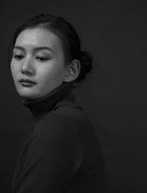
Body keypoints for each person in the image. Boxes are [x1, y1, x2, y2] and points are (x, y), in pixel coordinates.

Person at [8, 13, 105, 193]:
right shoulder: (69, 119)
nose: (25, 68)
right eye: (19, 55)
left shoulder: (56, 126)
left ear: (71, 71)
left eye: (42, 58)